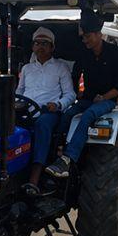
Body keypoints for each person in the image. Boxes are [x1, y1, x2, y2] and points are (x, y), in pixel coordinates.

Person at [45, 10, 118, 179]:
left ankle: (68, 158)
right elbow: (76, 74)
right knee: (68, 114)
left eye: (88, 36)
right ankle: (56, 150)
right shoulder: (84, 54)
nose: (85, 40)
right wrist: (77, 93)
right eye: (83, 37)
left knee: (88, 115)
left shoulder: (116, 54)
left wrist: (104, 97)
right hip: (88, 98)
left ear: (98, 34)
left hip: (108, 100)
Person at [16, 27, 74, 196]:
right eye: (37, 43)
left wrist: (58, 104)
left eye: (44, 44)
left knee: (42, 125)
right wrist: (14, 103)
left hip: (48, 112)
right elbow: (19, 91)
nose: (40, 46)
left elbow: (70, 94)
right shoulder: (27, 68)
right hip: (25, 110)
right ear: (32, 46)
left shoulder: (60, 67)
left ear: (52, 47)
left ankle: (34, 178)